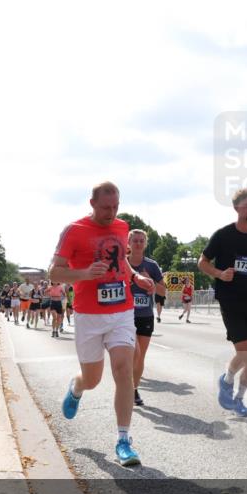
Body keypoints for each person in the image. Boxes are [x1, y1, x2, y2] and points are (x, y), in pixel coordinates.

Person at [48, 181, 155, 467]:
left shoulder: (122, 228)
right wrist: (84, 274)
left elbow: (122, 262)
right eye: (106, 207)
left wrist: (134, 277)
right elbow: (53, 272)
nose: (111, 212)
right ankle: (77, 388)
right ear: (92, 203)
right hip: (89, 315)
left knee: (124, 371)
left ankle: (124, 440)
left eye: (116, 207)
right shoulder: (74, 231)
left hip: (121, 310)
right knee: (93, 379)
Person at [198, 187, 247, 417]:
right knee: (244, 353)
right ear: (236, 208)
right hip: (230, 300)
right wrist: (220, 274)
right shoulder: (223, 235)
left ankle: (240, 399)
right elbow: (202, 262)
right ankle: (227, 378)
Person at [127, 229, 166, 406]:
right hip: (124, 316)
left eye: (141, 241)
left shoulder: (151, 265)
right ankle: (125, 386)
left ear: (145, 243)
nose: (138, 243)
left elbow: (163, 291)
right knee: (132, 353)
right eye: (135, 240)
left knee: (140, 356)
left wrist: (151, 280)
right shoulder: (122, 264)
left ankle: (134, 389)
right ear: (128, 243)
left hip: (145, 315)